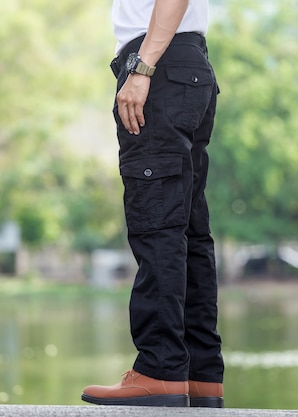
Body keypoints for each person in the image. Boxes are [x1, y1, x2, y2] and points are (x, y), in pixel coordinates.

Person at [81, 0, 224, 408]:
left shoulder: (148, 66)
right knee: (189, 232)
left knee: (158, 226)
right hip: (186, 65)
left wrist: (142, 68)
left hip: (158, 67)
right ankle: (200, 375)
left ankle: (160, 370)